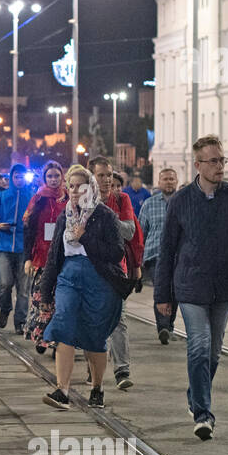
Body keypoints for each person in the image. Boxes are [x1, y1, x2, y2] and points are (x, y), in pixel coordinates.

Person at [153, 136, 228, 441]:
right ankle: (203, 414)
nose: (220, 167)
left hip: (224, 288)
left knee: (213, 354)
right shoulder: (181, 201)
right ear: (198, 165)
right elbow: (167, 249)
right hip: (189, 287)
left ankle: (195, 393)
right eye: (213, 161)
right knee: (198, 345)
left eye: (222, 160)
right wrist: (163, 296)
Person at [37, 165, 128, 411]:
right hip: (69, 278)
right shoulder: (63, 216)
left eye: (80, 185)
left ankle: (97, 387)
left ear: (91, 187)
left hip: (100, 280)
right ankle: (62, 390)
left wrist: (85, 236)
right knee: (63, 326)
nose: (75, 190)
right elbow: (54, 257)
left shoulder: (105, 215)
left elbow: (117, 252)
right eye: (72, 186)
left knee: (95, 337)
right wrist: (46, 291)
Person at [89, 156, 143, 391]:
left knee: (118, 319)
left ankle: (122, 369)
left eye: (109, 175)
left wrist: (104, 215)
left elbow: (129, 231)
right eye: (101, 175)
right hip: (88, 267)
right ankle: (93, 367)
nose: (107, 179)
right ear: (91, 177)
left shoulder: (122, 199)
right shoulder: (81, 198)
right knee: (91, 319)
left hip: (115, 268)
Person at [21, 161, 66, 354]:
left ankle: (56, 340)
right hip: (42, 257)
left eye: (57, 176)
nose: (54, 180)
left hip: (64, 256)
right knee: (42, 298)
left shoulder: (69, 198)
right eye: (50, 176)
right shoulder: (38, 199)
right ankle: (40, 335)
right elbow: (29, 231)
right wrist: (28, 258)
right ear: (44, 178)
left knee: (61, 301)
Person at [0, 164, 35, 333]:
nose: (19, 179)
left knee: (23, 288)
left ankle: (20, 321)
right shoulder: (2, 196)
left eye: (22, 176)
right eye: (16, 176)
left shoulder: (32, 196)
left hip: (24, 246)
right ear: (11, 178)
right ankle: (5, 307)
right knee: (5, 283)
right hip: (4, 244)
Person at [137, 167, 180, 342]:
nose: (169, 182)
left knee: (176, 292)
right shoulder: (149, 204)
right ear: (159, 182)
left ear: (176, 182)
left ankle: (169, 325)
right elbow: (141, 232)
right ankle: (163, 327)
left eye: (171, 179)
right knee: (161, 290)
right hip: (156, 255)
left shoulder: (183, 203)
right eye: (165, 179)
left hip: (179, 256)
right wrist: (138, 259)